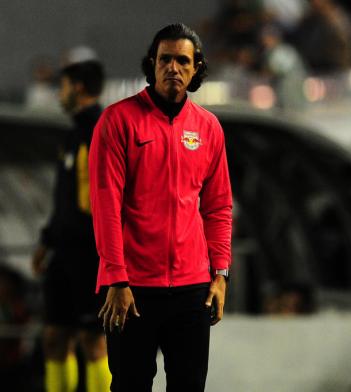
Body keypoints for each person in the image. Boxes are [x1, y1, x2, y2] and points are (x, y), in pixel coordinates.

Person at [89, 23, 233, 392]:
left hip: (192, 290)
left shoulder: (208, 128)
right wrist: (116, 278)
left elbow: (217, 207)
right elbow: (106, 205)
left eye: (183, 60)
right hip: (132, 288)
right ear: (151, 64)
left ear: (196, 68)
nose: (173, 67)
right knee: (130, 385)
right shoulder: (117, 121)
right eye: (165, 59)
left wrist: (220, 274)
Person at [31, 60, 111, 392]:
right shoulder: (73, 134)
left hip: (91, 255)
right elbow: (65, 200)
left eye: (62, 87)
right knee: (54, 337)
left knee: (93, 342)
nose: (59, 94)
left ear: (77, 87)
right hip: (64, 253)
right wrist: (47, 241)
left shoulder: (103, 131)